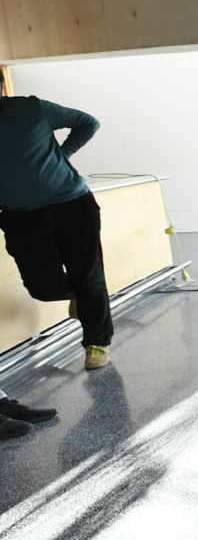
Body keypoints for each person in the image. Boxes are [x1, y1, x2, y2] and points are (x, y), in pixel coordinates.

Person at [0, 94, 113, 370]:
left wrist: (63, 154)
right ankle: (79, 297)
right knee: (42, 288)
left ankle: (96, 344)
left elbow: (88, 123)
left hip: (71, 204)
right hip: (19, 216)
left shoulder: (31, 108)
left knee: (89, 277)